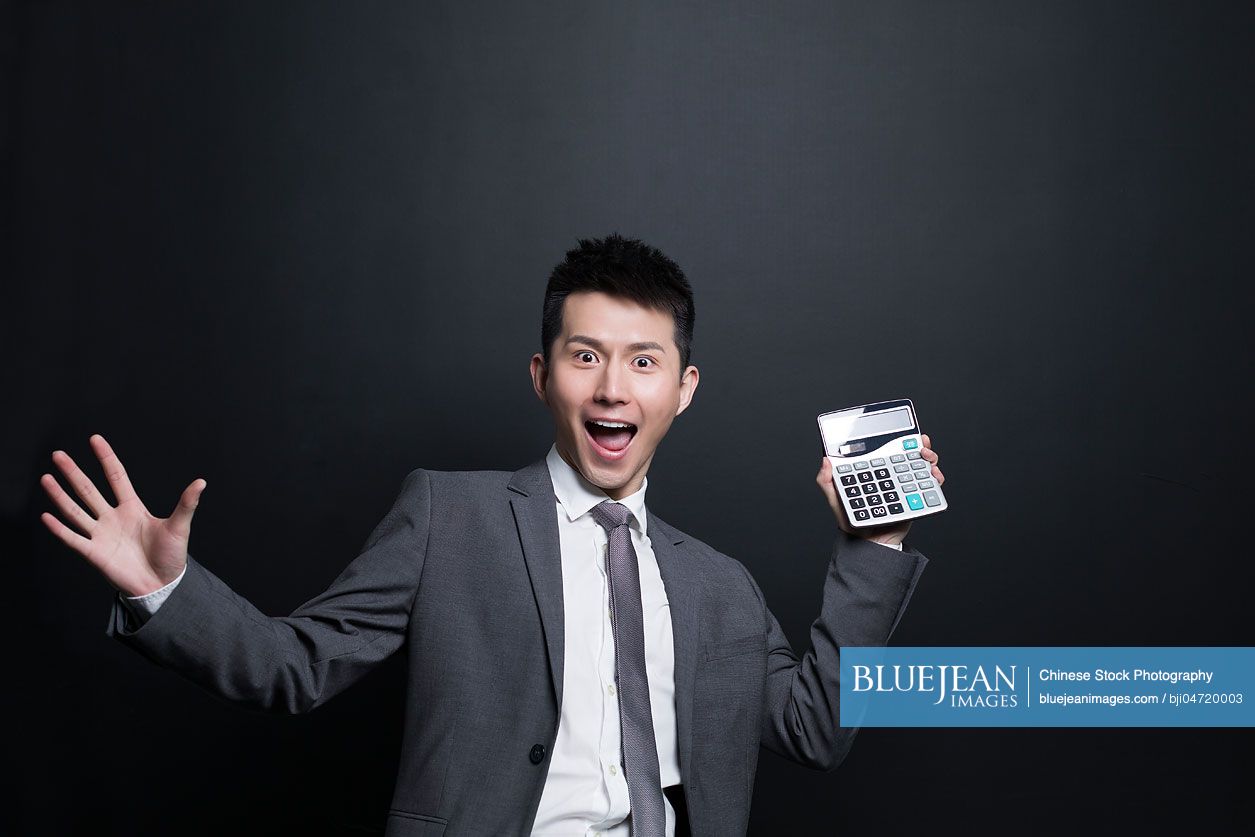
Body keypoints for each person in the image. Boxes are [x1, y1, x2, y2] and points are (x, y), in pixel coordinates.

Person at [40, 234, 943, 837]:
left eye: (643, 362)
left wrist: (879, 545)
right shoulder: (447, 516)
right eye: (585, 356)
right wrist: (164, 588)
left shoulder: (720, 586)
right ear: (542, 374)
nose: (612, 390)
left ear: (684, 387)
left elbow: (817, 728)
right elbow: (294, 664)